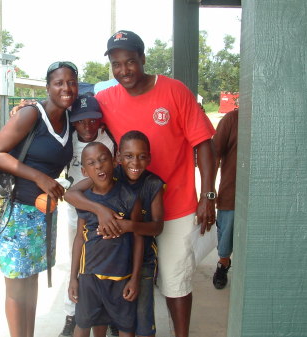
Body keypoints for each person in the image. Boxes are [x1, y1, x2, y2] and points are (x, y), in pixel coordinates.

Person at [91, 30, 216, 337]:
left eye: (130, 62)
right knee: (126, 277)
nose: (124, 71)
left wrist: (208, 195)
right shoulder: (105, 99)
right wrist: (29, 113)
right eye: (117, 65)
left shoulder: (175, 91)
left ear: (143, 59)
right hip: (129, 211)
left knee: (176, 280)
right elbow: (76, 121)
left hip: (176, 205)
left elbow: (204, 143)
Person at [0, 61, 78, 337]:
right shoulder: (30, 114)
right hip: (16, 210)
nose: (66, 88)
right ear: (47, 87)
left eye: (71, 82)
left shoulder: (70, 118)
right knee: (16, 283)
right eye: (59, 83)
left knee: (32, 280)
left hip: (43, 212)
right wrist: (39, 177)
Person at [66, 130, 164, 337]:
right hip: (93, 273)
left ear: (111, 161)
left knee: (136, 322)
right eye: (128, 156)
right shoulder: (99, 181)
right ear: (118, 159)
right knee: (91, 321)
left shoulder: (142, 190)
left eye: (141, 156)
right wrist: (100, 210)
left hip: (129, 269)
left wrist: (127, 226)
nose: (134, 162)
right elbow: (71, 196)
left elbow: (154, 229)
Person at [58, 94, 116, 337]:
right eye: (82, 121)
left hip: (104, 211)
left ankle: (111, 315)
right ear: (74, 123)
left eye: (92, 120)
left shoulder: (107, 142)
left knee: (107, 261)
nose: (87, 126)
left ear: (100, 121)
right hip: (77, 211)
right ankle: (72, 314)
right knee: (78, 261)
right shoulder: (68, 140)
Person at [212, 108, 238, 289]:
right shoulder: (232, 119)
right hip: (232, 191)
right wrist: (209, 189)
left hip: (265, 194)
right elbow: (214, 154)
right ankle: (223, 264)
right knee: (226, 234)